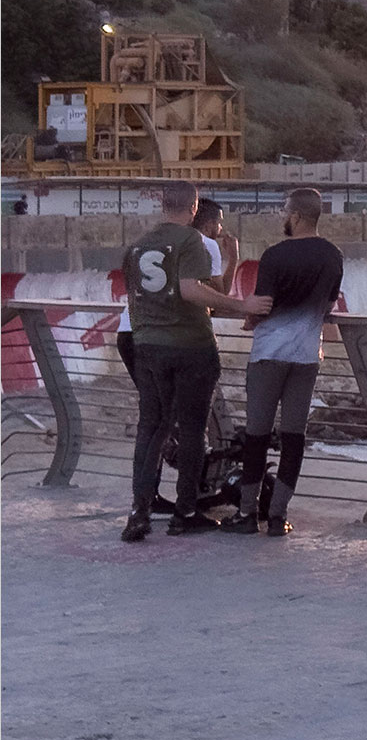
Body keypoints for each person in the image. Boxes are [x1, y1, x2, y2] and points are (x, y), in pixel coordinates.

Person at [120, 181, 243, 541]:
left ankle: (138, 510)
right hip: (190, 345)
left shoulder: (139, 245)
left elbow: (134, 296)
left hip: (145, 344)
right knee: (192, 431)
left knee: (151, 428)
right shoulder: (193, 241)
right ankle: (185, 511)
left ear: (161, 204)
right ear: (193, 208)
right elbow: (199, 293)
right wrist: (242, 305)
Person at [225, 187, 343, 537]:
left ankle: (247, 515)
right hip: (306, 356)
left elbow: (261, 307)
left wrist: (249, 319)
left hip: (269, 355)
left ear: (294, 216)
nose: (282, 217)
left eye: (284, 212)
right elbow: (329, 304)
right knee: (294, 436)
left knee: (258, 435)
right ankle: (278, 516)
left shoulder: (274, 256)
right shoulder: (333, 256)